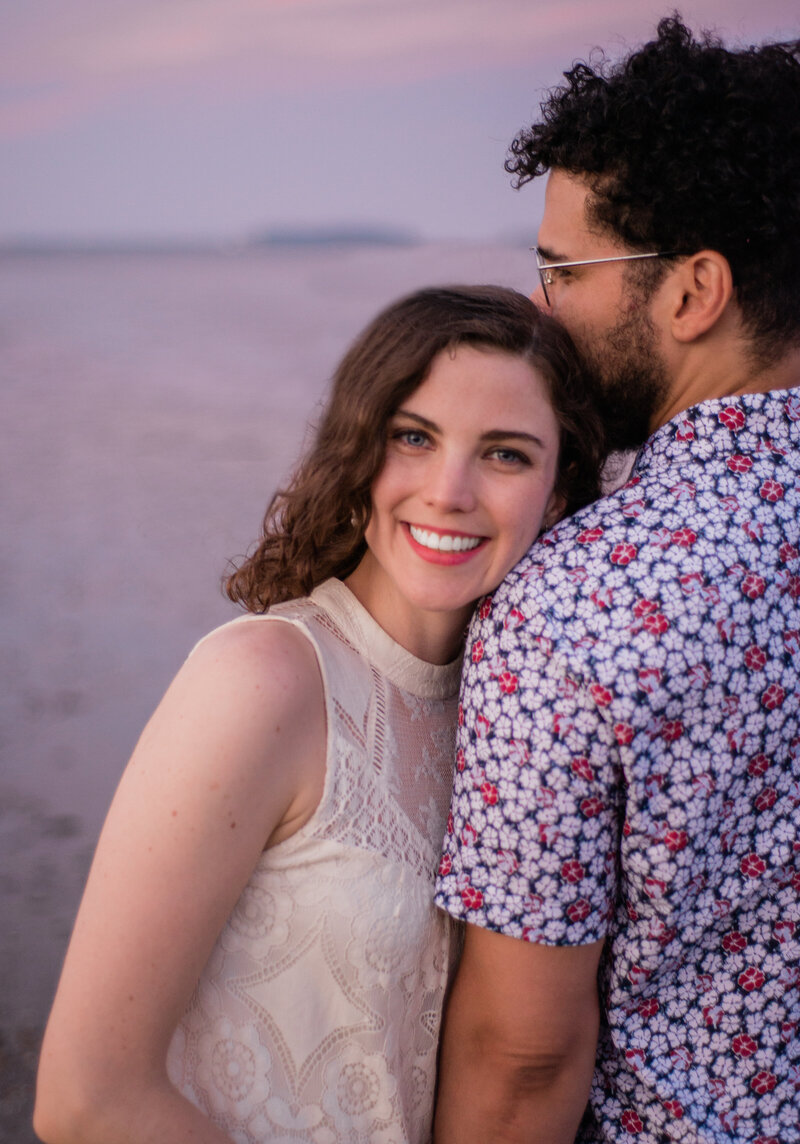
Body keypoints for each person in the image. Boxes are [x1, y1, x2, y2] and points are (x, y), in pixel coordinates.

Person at [33, 284, 605, 1144]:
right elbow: (86, 1099)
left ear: (557, 497)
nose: (448, 491)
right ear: (359, 450)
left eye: (506, 454)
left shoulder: (513, 716)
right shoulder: (264, 680)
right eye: (414, 437)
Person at [434, 17, 800, 1144]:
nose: (537, 309)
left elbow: (523, 1054)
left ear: (693, 292)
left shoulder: (578, 603)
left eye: (560, 269)